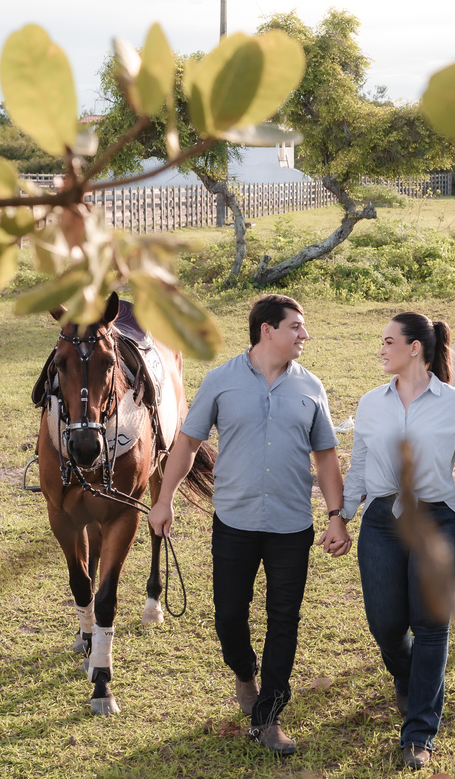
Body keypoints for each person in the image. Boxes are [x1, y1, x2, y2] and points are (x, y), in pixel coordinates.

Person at [149, 294, 349, 756]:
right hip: (234, 522)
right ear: (267, 330)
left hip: (291, 525)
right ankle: (245, 674)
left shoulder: (311, 387)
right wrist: (164, 500)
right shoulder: (221, 381)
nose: (305, 335)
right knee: (228, 617)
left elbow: (326, 458)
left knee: (284, 619)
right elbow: (186, 445)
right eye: (296, 326)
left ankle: (270, 714)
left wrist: (336, 516)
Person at [338, 312, 455, 771]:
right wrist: (340, 518)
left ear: (414, 348)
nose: (380, 349)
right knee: (384, 624)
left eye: (388, 341)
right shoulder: (370, 403)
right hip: (382, 520)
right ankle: (410, 677)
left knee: (431, 626)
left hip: (438, 521)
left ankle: (419, 732)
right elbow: (358, 467)